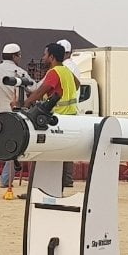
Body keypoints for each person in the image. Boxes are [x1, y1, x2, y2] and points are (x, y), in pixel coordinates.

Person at [22, 43, 80, 187]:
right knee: (66, 152)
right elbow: (77, 84)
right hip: (71, 116)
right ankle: (65, 182)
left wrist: (27, 102)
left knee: (41, 150)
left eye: (45, 54)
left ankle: (37, 186)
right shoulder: (67, 71)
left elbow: (42, 89)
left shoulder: (54, 72)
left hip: (57, 117)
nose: (43, 57)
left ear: (52, 57)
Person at [0, 43, 29, 187]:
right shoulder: (20, 72)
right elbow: (32, 87)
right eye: (19, 55)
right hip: (14, 117)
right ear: (15, 56)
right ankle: (5, 181)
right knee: (13, 148)